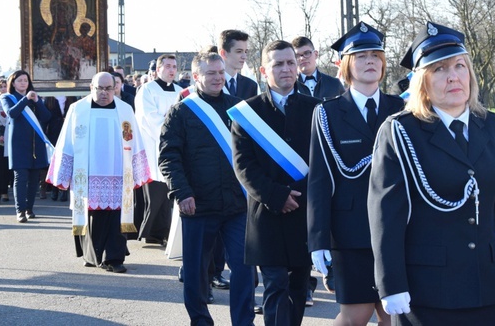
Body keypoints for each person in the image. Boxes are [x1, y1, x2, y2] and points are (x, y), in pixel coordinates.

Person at [368, 21, 495, 325]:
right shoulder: (400, 131)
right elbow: (385, 215)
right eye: (440, 69)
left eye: (459, 65)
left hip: (483, 282)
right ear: (422, 82)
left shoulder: (494, 127)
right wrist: (391, 283)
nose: (453, 76)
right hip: (425, 288)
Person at [308, 22, 404, 326]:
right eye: (361, 56)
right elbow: (320, 180)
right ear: (346, 64)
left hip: (397, 229)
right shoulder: (327, 113)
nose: (371, 61)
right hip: (351, 232)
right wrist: (318, 239)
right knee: (355, 315)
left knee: (395, 315)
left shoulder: (399, 107)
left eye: (376, 55)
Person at [158, 52, 255, 325]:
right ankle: (200, 320)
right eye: (211, 73)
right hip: (198, 204)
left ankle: (243, 321)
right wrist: (182, 192)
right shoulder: (181, 111)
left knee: (244, 268)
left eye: (221, 72)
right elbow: (168, 157)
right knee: (196, 272)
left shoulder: (238, 108)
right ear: (196, 76)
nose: (218, 77)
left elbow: (252, 154)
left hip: (236, 205)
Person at [231, 40, 320, 326]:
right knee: (275, 285)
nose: (286, 69)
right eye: (278, 64)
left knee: (298, 287)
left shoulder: (317, 109)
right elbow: (244, 165)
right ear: (263, 70)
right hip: (267, 214)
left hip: (304, 213)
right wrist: (277, 195)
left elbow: (323, 163)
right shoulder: (247, 113)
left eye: (290, 62)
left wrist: (301, 196)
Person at [46, 72, 151, 273]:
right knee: (91, 214)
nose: (104, 93)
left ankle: (114, 258)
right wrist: (63, 172)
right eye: (99, 88)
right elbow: (67, 141)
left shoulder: (125, 110)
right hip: (87, 174)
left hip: (118, 173)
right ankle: (91, 255)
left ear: (115, 88)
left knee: (115, 215)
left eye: (108, 89)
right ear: (91, 88)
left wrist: (138, 171)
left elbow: (135, 141)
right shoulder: (78, 110)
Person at [135, 54, 182, 245]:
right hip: (154, 145)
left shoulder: (181, 91)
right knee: (156, 193)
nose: (172, 70)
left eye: (174, 67)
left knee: (170, 192)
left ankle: (165, 233)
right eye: (168, 66)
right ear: (158, 69)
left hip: (176, 145)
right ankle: (152, 232)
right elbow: (148, 118)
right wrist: (170, 132)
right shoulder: (147, 90)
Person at [1, 70, 51, 223]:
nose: (23, 83)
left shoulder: (35, 98)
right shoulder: (7, 97)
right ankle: (20, 210)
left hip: (36, 145)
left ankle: (29, 208)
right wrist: (25, 100)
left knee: (34, 179)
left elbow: (46, 117)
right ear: (13, 83)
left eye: (25, 80)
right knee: (20, 178)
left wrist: (37, 102)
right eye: (20, 80)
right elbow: (12, 113)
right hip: (19, 145)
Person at [219, 29, 258, 99]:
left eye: (245, 52)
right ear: (223, 53)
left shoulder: (250, 85)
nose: (244, 56)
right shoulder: (213, 83)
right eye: (239, 51)